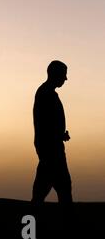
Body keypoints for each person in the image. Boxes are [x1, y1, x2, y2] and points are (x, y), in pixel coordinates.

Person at [31, 60, 72, 205]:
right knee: (63, 187)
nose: (65, 79)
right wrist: (57, 136)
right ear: (56, 74)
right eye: (64, 75)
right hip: (51, 148)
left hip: (50, 146)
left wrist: (60, 135)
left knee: (44, 187)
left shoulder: (46, 92)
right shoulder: (46, 93)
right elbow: (45, 122)